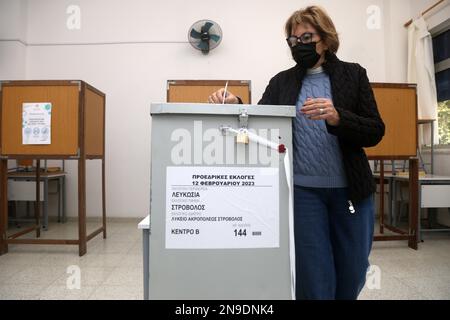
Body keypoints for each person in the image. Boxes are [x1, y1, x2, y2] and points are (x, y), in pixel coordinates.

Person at [208, 5, 385, 300]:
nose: (298, 45)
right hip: (303, 193)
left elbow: (375, 131)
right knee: (312, 273)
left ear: (325, 40)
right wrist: (235, 102)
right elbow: (259, 121)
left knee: (353, 269)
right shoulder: (282, 81)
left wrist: (339, 116)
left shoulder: (353, 75)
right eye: (293, 40)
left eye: (306, 37)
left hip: (351, 191)